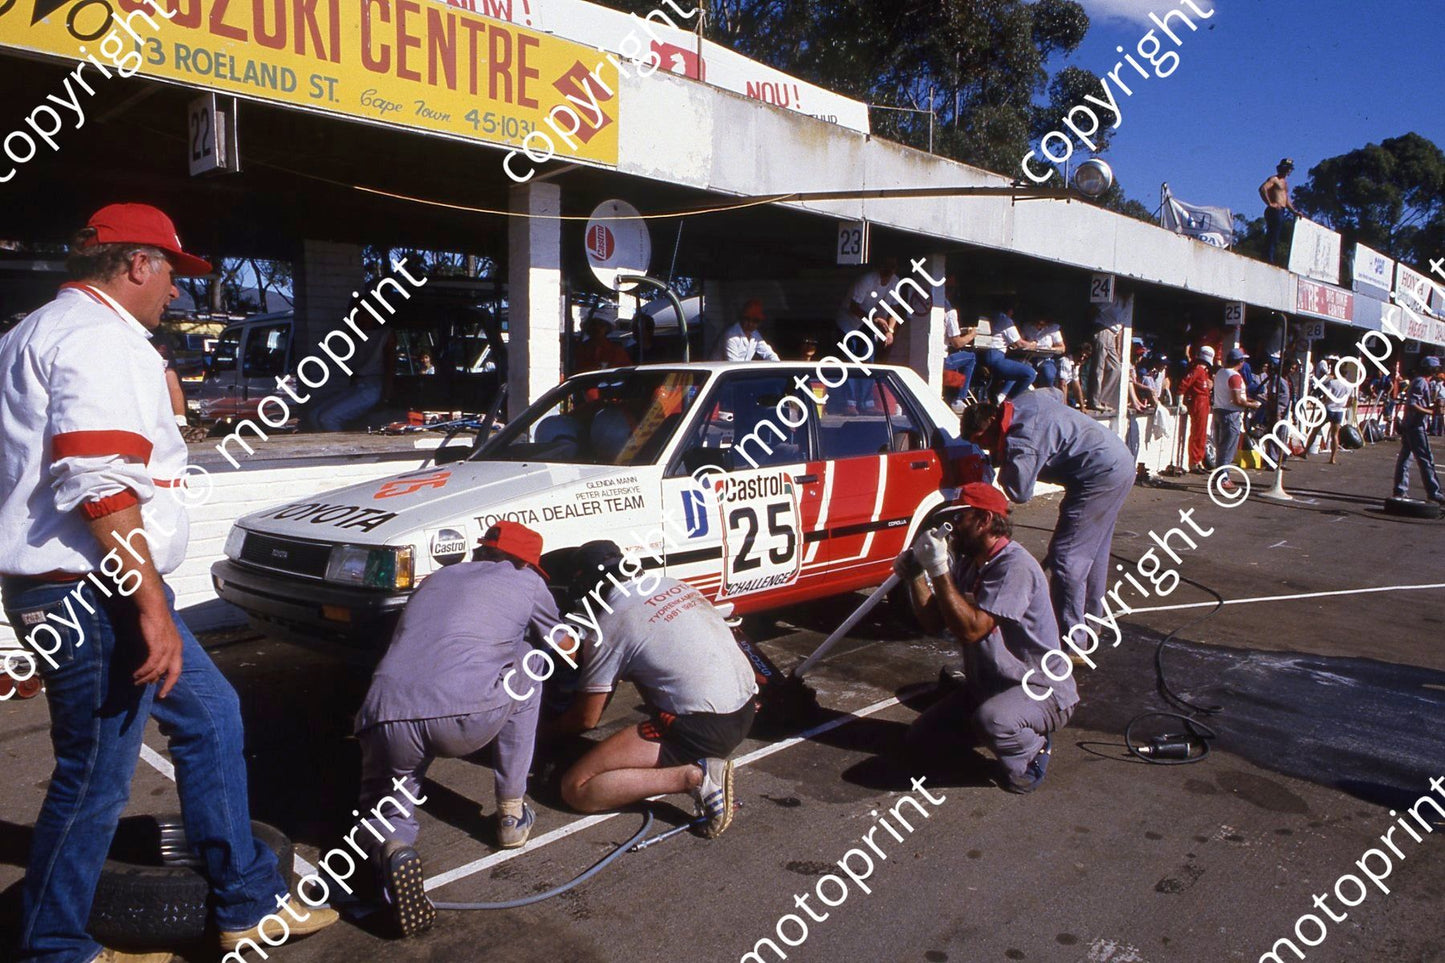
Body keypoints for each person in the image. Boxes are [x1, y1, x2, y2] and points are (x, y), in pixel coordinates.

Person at [0, 204, 337, 963]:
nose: (177, 295)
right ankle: (54, 947)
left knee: (213, 716)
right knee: (92, 780)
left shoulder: (33, 332)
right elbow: (98, 481)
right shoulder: (97, 336)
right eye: (173, 277)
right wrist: (150, 601)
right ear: (136, 264)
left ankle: (246, 903)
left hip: (96, 584)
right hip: (96, 590)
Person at [353, 521, 557, 936]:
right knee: (532, 662)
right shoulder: (528, 582)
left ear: (482, 551)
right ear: (525, 563)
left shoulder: (438, 577)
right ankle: (511, 814)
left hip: (385, 712)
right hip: (466, 716)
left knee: (388, 799)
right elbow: (561, 642)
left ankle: (393, 848)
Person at [555, 541, 757, 838]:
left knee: (576, 788)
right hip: (745, 709)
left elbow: (585, 719)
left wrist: (538, 735)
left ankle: (695, 778)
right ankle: (696, 760)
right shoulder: (670, 583)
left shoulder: (611, 619)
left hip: (705, 727)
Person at [901, 483, 1077, 793]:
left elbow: (972, 629)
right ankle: (998, 723)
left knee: (994, 721)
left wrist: (939, 568)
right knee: (920, 741)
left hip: (1039, 689)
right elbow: (934, 622)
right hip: (991, 685)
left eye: (960, 519)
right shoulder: (970, 565)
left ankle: (1031, 754)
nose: (952, 529)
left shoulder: (1015, 566)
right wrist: (916, 576)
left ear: (984, 520)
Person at [959, 391, 1134, 661]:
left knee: (1067, 558)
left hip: (1099, 476)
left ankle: (1074, 645)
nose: (985, 449)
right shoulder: (1022, 401)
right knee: (1093, 554)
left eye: (983, 442)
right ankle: (1089, 628)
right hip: (1116, 460)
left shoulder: (1023, 441)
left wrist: (1003, 459)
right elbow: (1055, 392)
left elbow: (1019, 492)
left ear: (993, 422)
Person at [313, 303, 397, 431]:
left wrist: (385, 398)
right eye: (357, 314)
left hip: (373, 387)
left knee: (328, 418)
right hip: (358, 385)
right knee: (314, 415)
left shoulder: (385, 334)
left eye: (364, 313)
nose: (360, 318)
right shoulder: (356, 335)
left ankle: (342, 449)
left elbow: (390, 367)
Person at [1392, 356, 1444, 503]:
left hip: (1411, 424)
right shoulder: (1421, 381)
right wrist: (1431, 412)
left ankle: (1400, 489)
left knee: (1405, 459)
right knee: (1426, 459)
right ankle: (1434, 492)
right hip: (1416, 425)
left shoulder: (1421, 381)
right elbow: (1412, 404)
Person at [1212, 347, 1261, 483]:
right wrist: (1253, 405)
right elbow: (1237, 400)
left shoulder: (1220, 373)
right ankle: (1223, 478)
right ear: (1239, 361)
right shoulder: (1234, 376)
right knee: (1228, 448)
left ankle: (1220, 475)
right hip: (1230, 413)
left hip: (1218, 410)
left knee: (1221, 447)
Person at [973, 301, 1038, 402]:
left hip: (982, 355)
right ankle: (1009, 400)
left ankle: (1000, 396)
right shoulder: (1004, 320)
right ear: (1010, 311)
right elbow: (1019, 343)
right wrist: (1032, 344)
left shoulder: (988, 316)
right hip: (995, 357)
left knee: (1015, 370)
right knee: (1030, 374)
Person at [1087, 292, 1129, 413]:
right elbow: (1094, 310)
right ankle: (1093, 401)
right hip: (1103, 329)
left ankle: (1102, 398)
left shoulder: (1127, 305)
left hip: (1113, 335)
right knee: (1098, 367)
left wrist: (1118, 347)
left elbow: (1121, 328)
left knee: (1116, 369)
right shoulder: (1114, 298)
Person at [1259, 158, 1303, 266]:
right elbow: (1263, 189)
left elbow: (1286, 199)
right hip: (1275, 210)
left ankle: (1269, 257)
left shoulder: (1285, 183)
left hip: (1281, 210)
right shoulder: (1274, 179)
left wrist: (1294, 211)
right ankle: (1267, 258)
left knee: (1276, 235)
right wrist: (1270, 203)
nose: (1288, 171)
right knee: (1272, 234)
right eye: (1286, 168)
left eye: (1289, 169)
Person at [1178, 346, 1215, 473]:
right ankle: (1194, 462)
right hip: (1198, 402)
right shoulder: (1198, 369)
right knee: (1197, 432)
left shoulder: (1204, 372)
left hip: (1204, 401)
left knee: (1202, 433)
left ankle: (1198, 460)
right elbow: (1185, 383)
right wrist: (1180, 400)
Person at [715, 299, 780, 362]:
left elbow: (769, 353)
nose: (750, 324)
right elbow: (733, 364)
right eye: (747, 319)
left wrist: (778, 367)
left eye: (755, 321)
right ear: (742, 318)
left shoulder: (755, 334)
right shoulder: (731, 335)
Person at [574, 307, 632, 372]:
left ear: (607, 328)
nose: (596, 328)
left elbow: (624, 374)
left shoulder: (617, 352)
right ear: (586, 327)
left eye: (601, 325)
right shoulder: (578, 350)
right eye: (592, 324)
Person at [1322, 365, 1354, 465]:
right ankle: (1333, 458)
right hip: (1339, 410)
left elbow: (1325, 395)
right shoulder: (1349, 385)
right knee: (1335, 435)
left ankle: (1305, 452)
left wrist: (1324, 402)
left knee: (1315, 429)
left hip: (1329, 408)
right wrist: (1345, 406)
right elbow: (1351, 400)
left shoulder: (1332, 383)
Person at [1021, 316, 1066, 387]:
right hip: (1029, 358)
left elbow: (1062, 348)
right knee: (1022, 372)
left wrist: (1050, 349)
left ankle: (1047, 395)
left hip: (1046, 359)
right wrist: (1028, 345)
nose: (1039, 326)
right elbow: (1019, 342)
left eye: (1042, 324)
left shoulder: (1053, 329)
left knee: (1048, 375)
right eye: (1037, 323)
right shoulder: (1027, 327)